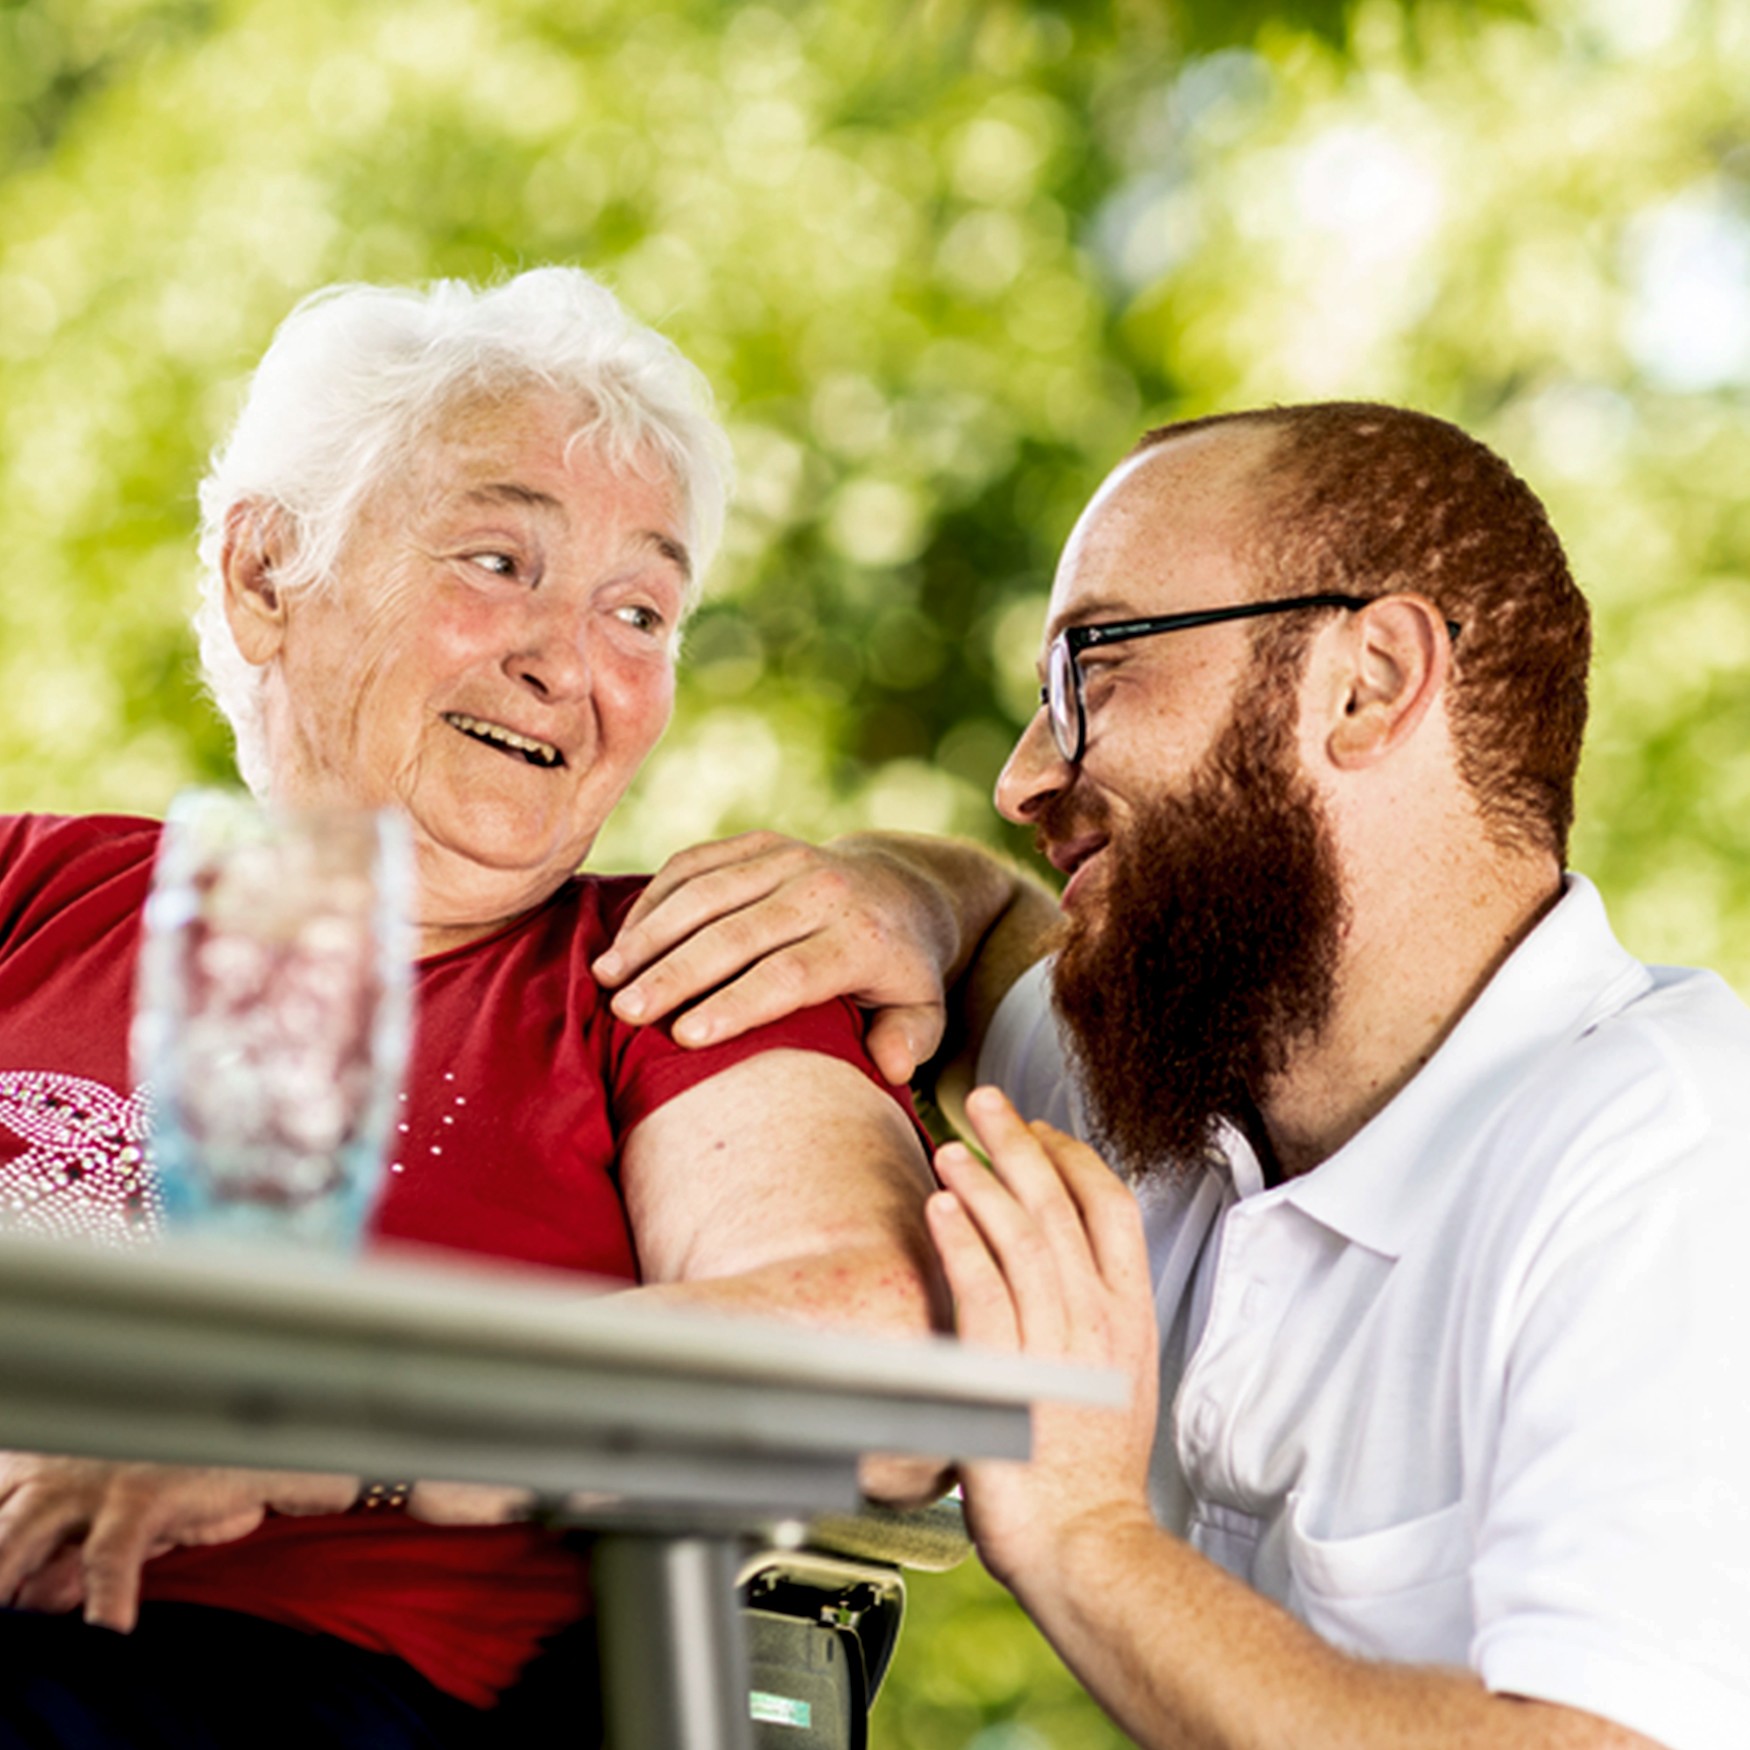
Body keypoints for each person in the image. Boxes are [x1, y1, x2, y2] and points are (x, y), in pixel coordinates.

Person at [595, 403, 1750, 1750]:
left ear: (1366, 680)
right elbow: (982, 925)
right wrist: (903, 892)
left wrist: (1083, 1530)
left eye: (1093, 662)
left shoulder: (1671, 1155)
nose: (1024, 775)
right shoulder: (1185, 1093)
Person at [0, 268, 943, 1747]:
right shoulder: (34, 886)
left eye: (641, 607)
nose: (569, 657)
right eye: (499, 560)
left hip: (281, 1684)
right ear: (266, 578)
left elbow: (868, 1347)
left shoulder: (669, 975)